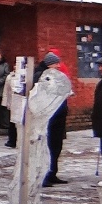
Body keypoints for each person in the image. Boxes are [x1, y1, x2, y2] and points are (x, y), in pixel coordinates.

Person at [37, 50, 71, 186]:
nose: (58, 66)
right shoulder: (41, 76)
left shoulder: (56, 76)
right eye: (56, 64)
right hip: (49, 117)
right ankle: (44, 176)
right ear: (49, 64)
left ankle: (52, 173)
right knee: (47, 147)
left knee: (56, 146)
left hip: (58, 115)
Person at [1, 60, 21, 148]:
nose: (16, 67)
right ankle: (12, 140)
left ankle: (20, 140)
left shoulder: (24, 77)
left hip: (21, 102)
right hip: (12, 102)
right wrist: (5, 102)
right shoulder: (10, 77)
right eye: (15, 65)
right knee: (12, 123)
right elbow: (6, 91)